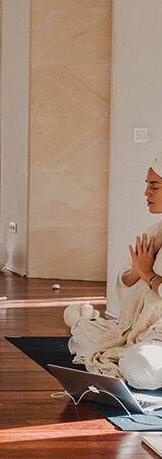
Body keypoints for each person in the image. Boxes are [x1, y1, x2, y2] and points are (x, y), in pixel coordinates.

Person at [65, 153, 162, 386]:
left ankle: (129, 358)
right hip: (140, 329)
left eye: (154, 186)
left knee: (140, 365)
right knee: (83, 332)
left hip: (157, 335)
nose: (146, 193)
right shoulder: (155, 231)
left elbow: (148, 276)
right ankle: (120, 350)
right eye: (147, 185)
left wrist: (148, 275)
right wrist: (139, 271)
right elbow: (125, 279)